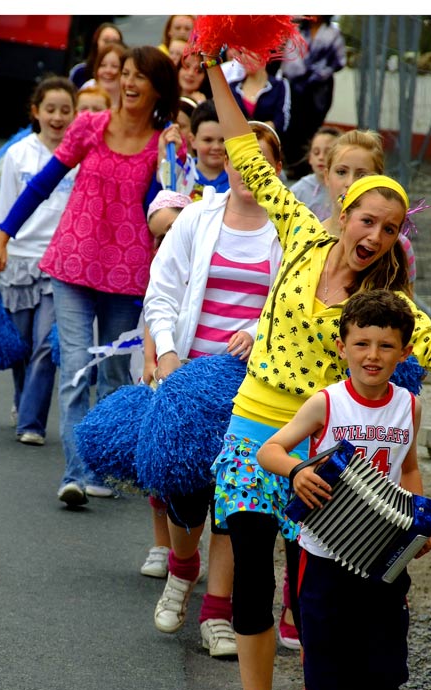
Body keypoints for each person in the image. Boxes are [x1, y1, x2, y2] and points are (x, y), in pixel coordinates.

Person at [200, 56, 431, 690]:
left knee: (321, 604)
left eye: (387, 227)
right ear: (344, 212)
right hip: (256, 434)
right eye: (366, 218)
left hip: (331, 461)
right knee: (252, 574)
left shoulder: (387, 306)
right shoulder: (301, 233)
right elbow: (248, 157)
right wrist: (214, 72)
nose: (372, 234)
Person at [0, 46, 181, 508]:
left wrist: (172, 163)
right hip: (72, 263)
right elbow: (42, 184)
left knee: (111, 375)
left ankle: (104, 466)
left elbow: (163, 209)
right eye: (124, 74)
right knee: (73, 370)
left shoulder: (163, 144)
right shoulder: (90, 126)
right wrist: (2, 238)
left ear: (157, 89)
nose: (128, 83)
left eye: (140, 77)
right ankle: (75, 473)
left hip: (128, 274)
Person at [256, 289, 431, 690]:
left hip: (385, 561)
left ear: (405, 351)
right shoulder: (325, 403)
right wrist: (295, 471)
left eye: (385, 345)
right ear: (342, 347)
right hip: (323, 558)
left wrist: (420, 517)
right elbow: (270, 450)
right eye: (361, 344)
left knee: (384, 673)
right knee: (326, 663)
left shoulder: (410, 407)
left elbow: (411, 467)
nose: (372, 356)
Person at [143, 122, 286, 659]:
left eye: (261, 159)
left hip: (255, 389)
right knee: (186, 492)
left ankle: (215, 613)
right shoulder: (199, 217)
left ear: (275, 168)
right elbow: (161, 289)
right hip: (188, 380)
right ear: (226, 164)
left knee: (235, 496)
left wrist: (261, 331)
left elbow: (296, 303)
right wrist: (168, 351)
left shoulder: (289, 228)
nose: (249, 168)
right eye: (238, 157)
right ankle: (182, 567)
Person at [0, 76, 79, 445]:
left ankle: (32, 423)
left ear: (75, 115)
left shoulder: (80, 158)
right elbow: (4, 210)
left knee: (45, 345)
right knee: (20, 344)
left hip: (58, 263)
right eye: (50, 109)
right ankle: (23, 403)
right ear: (35, 112)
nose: (57, 117)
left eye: (65, 110)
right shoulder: (18, 155)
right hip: (18, 261)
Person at [140, 189, 193, 580]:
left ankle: (186, 547)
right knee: (162, 467)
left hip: (196, 369)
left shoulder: (204, 260)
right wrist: (150, 359)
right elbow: (153, 312)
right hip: (164, 369)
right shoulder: (163, 264)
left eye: (171, 229)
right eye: (157, 236)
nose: (163, 242)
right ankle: (161, 544)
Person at [321, 129, 418, 293]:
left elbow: (406, 308)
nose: (350, 182)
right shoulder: (309, 236)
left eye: (362, 175)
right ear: (326, 176)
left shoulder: (399, 248)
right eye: (341, 172)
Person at [280, 16, 346, 180]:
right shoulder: (298, 30)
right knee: (294, 126)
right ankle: (294, 166)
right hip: (296, 86)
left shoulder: (333, 33)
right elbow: (290, 58)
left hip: (320, 88)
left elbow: (339, 61)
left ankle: (310, 167)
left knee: (312, 125)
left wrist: (316, 74)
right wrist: (301, 75)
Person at [289, 125, 342, 221]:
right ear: (310, 158)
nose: (321, 157)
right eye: (316, 152)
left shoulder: (345, 187)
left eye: (327, 152)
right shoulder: (299, 190)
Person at [229, 57, 291, 136]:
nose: (244, 58)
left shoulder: (280, 85)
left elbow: (282, 122)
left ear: (264, 56)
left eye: (250, 54)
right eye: (242, 53)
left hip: (268, 143)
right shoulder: (232, 87)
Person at [186, 99, 229, 198]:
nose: (216, 147)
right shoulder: (179, 176)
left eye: (223, 140)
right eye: (208, 140)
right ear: (192, 140)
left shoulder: (240, 180)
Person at [69, 22, 125, 89]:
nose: (110, 45)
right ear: (96, 43)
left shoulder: (125, 74)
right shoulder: (79, 72)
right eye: (106, 41)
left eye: (115, 42)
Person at [80, 42, 127, 110]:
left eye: (114, 66)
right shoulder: (88, 88)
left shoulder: (130, 99)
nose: (108, 71)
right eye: (103, 65)